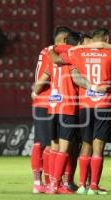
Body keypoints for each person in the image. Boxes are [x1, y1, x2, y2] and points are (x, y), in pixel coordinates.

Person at [51, 28, 111, 195]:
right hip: (103, 105)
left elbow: (55, 58)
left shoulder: (78, 54)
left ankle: (81, 185)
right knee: (98, 147)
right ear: (106, 39)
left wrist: (73, 48)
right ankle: (93, 186)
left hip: (85, 106)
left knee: (85, 144)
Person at [30, 26, 72, 194]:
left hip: (44, 100)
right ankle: (48, 182)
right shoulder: (54, 53)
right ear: (64, 40)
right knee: (49, 144)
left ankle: (42, 182)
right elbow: (46, 75)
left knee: (42, 142)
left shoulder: (44, 51)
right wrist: (36, 91)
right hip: (49, 100)